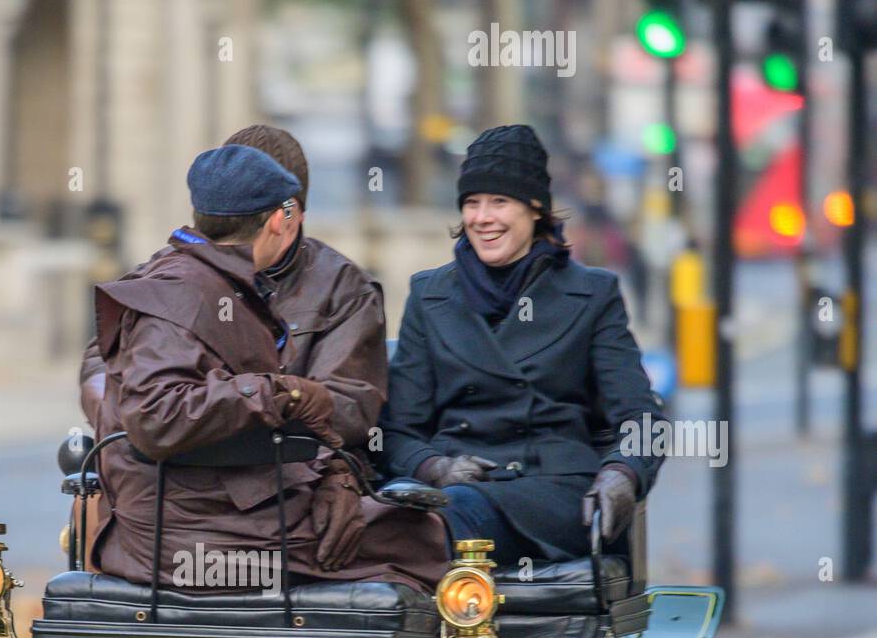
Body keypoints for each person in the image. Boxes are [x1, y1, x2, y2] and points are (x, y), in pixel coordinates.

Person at [87, 144, 447, 592]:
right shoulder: (182, 287)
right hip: (187, 541)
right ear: (282, 218)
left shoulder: (197, 278)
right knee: (421, 535)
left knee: (393, 527)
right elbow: (155, 417)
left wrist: (334, 474)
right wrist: (280, 393)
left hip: (202, 518)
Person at [380, 124, 663, 564]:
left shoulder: (592, 294)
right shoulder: (429, 294)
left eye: (499, 201)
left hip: (558, 495)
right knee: (405, 517)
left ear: (535, 210)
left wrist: (621, 474)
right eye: (472, 203)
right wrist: (435, 468)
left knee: (447, 520)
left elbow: (641, 417)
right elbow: (397, 428)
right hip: (458, 487)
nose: (482, 217)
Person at [81, 125, 388, 454]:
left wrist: (260, 406)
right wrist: (121, 421)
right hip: (170, 469)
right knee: (93, 497)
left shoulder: (343, 287)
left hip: (292, 475)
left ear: (290, 214)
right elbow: (102, 363)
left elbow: (349, 407)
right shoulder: (167, 276)